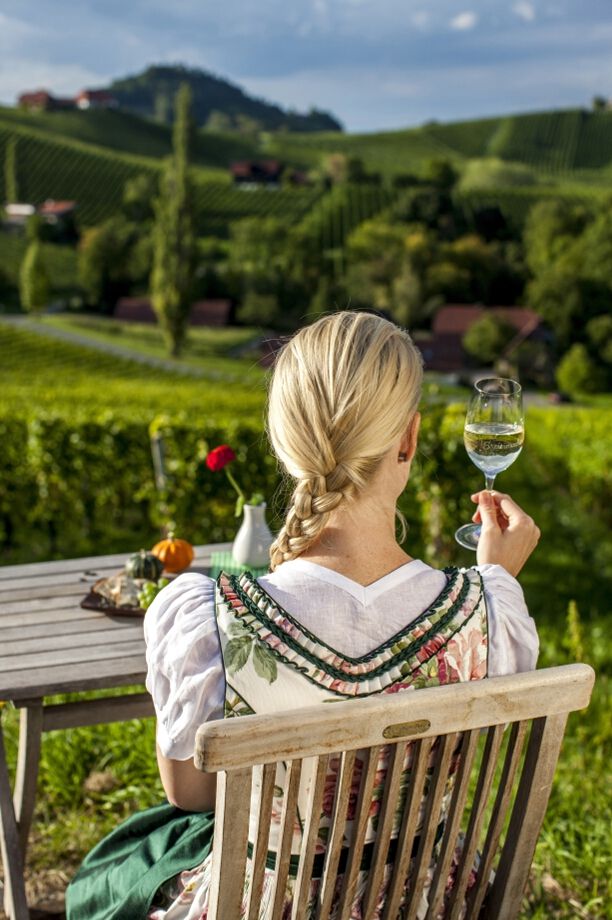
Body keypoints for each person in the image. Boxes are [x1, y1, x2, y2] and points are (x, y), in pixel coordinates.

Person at [66, 311, 540, 920]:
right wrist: (497, 579)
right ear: (408, 440)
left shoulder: (207, 617)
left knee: (112, 871)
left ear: (286, 443)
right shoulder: (490, 613)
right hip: (426, 903)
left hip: (265, 906)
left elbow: (189, 794)